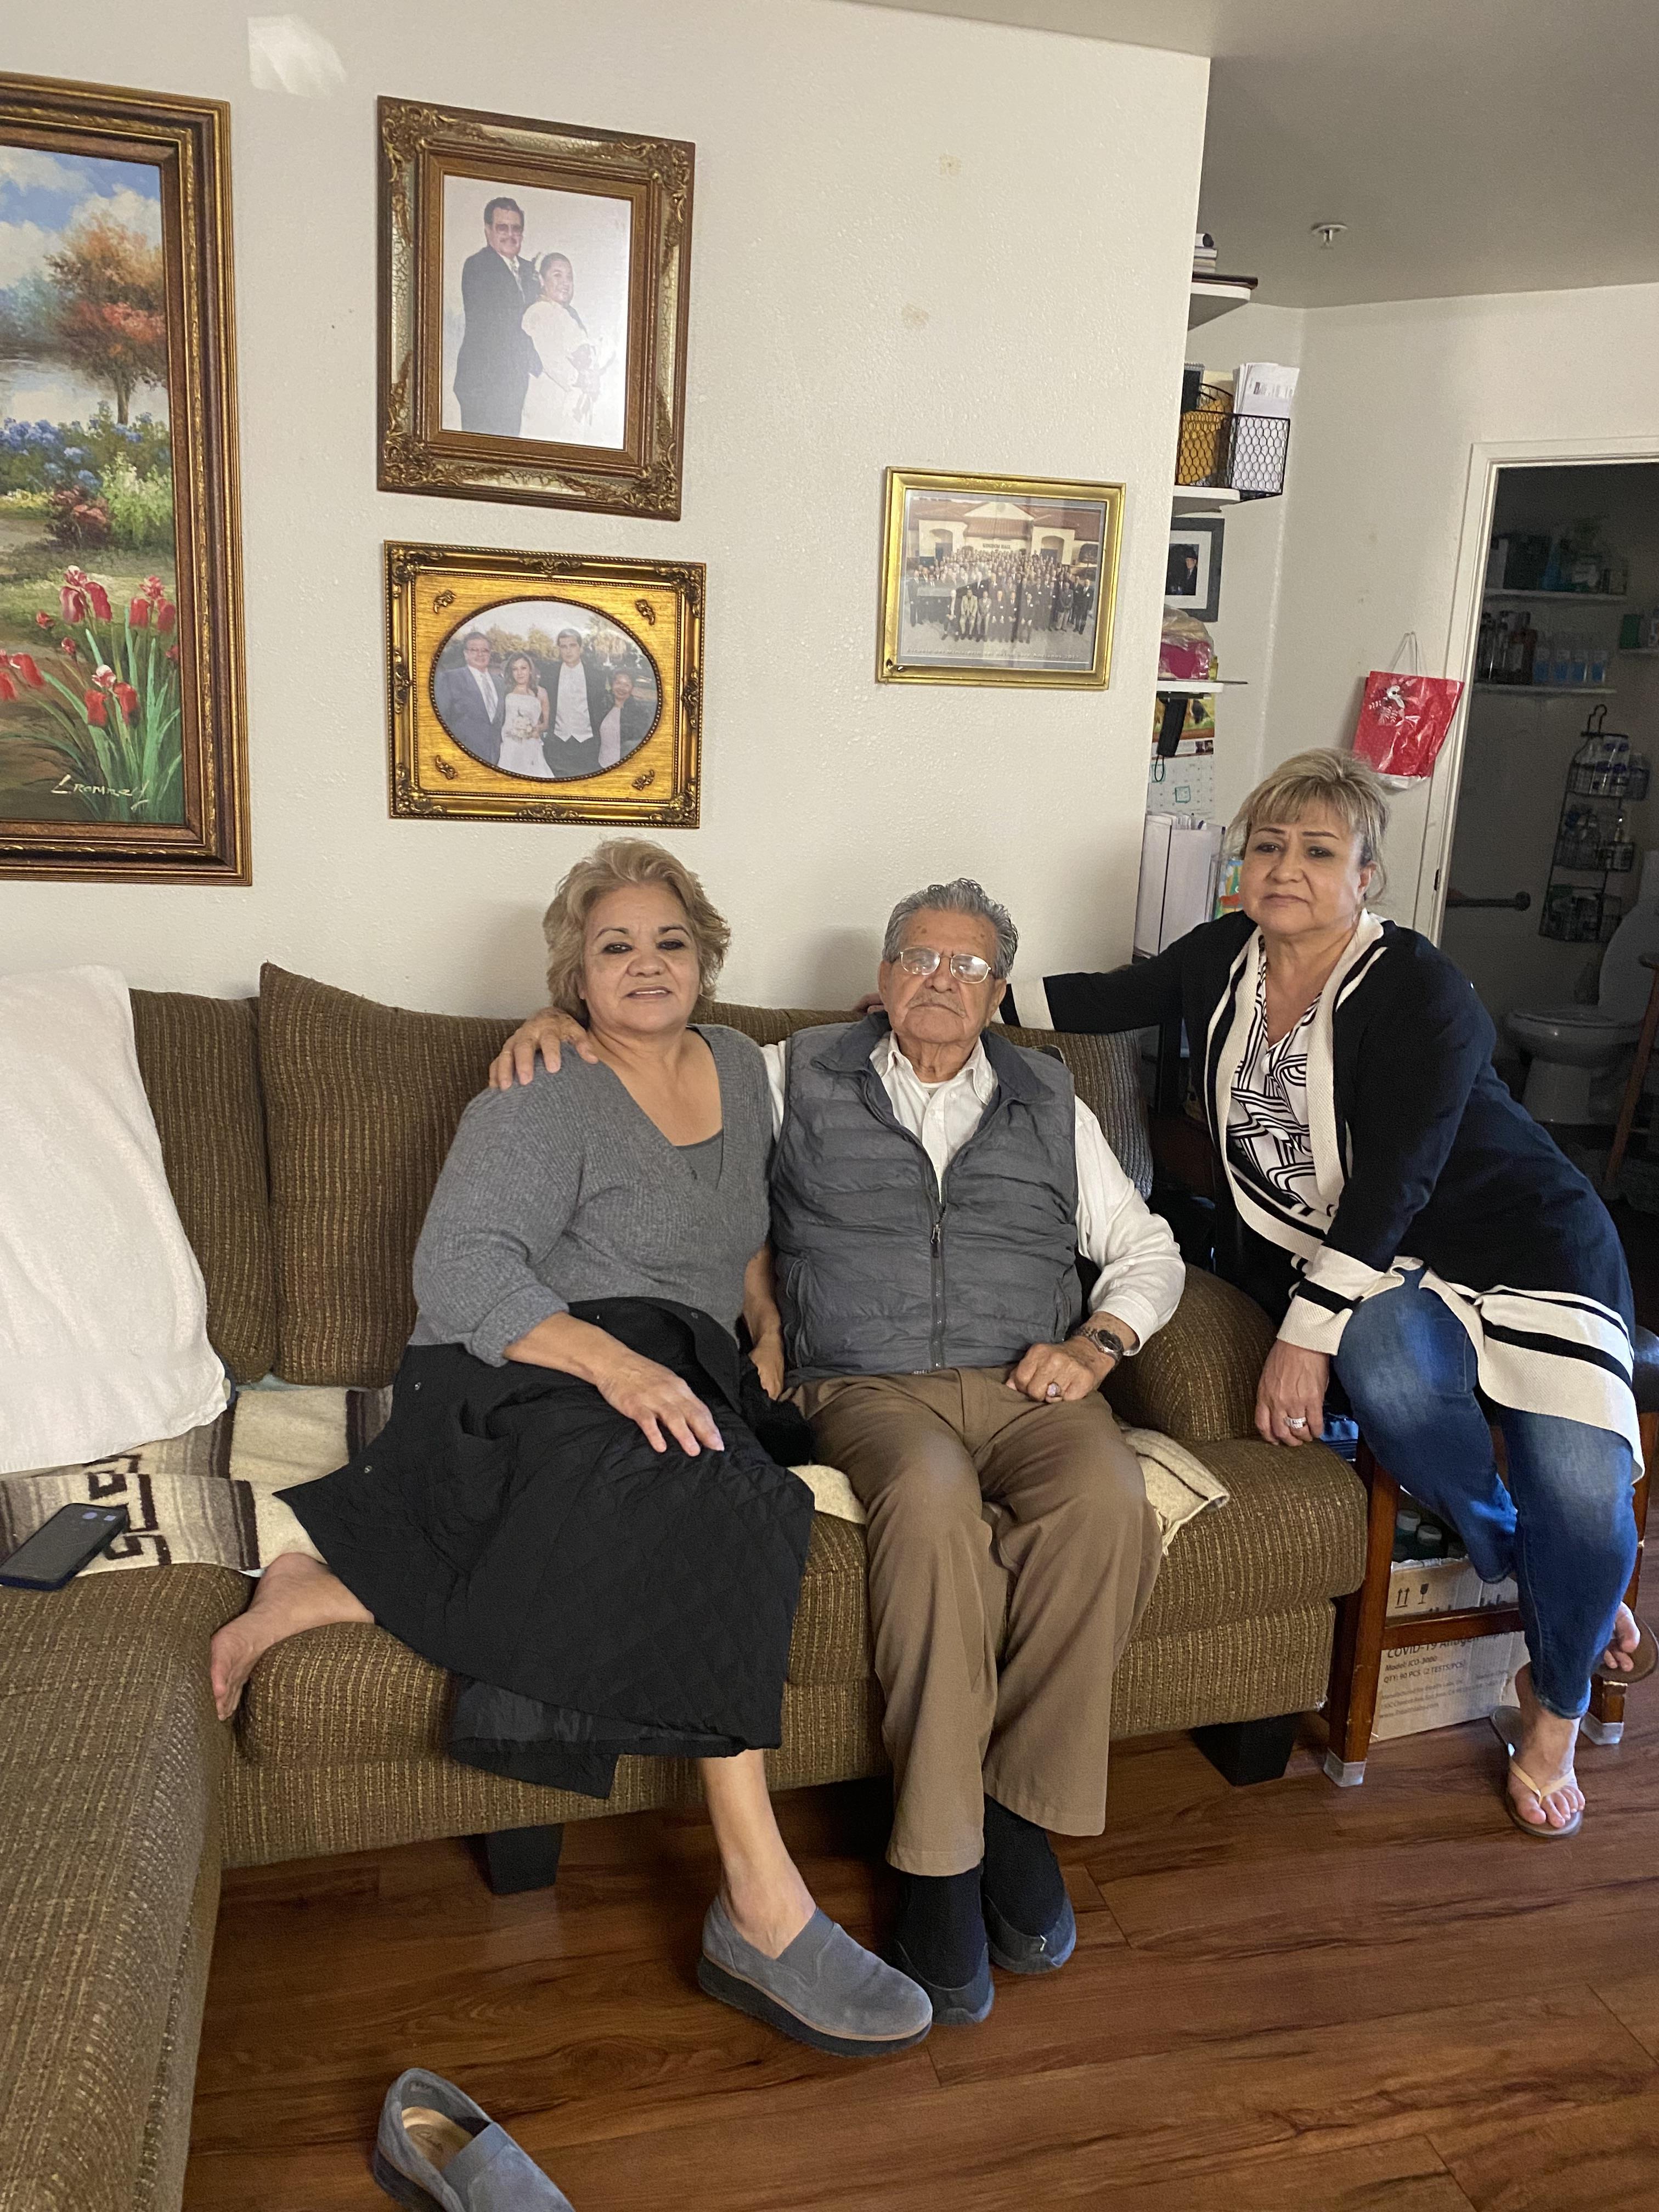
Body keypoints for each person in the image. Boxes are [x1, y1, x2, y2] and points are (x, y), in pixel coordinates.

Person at [208, 840, 932, 2059]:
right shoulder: (543, 1083)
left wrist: (760, 1323)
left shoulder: (744, 1075)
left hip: (680, 1361)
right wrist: (617, 1364)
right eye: (614, 946)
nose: (646, 964)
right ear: (574, 974)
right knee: (726, 1503)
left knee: (740, 1473)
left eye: (667, 941)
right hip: (525, 1365)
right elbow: (459, 1269)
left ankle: (335, 1587)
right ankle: (761, 1906)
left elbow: (746, 1231)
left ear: (705, 956)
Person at [492, 876, 1186, 2027]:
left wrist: (1101, 1345)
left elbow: (1145, 1249)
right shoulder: (790, 1071)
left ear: (1000, 994)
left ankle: (1017, 1813)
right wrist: (562, 1023)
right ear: (881, 976)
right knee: (928, 1502)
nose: (940, 983)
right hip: (867, 1385)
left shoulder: (1050, 1095)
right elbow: (654, 1080)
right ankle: (938, 1861)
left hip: (1033, 1382)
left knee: (1112, 1499)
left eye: (968, 968)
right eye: (919, 958)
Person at [1044, 747, 1651, 1841]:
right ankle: (1535, 1570)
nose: (1286, 868)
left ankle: (1551, 1709)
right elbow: (1087, 1001)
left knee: (1587, 1485)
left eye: (1319, 850)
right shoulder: (1225, 957)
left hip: (1520, 1243)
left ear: (1366, 874)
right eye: (1267, 846)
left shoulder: (1419, 987)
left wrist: (1299, 1340)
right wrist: (942, 992)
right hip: (1388, 1271)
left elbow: (1397, 1180)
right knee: (1397, 1387)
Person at [453, 198, 543, 437]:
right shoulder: (478, 266)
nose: (511, 235)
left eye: (517, 229)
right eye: (503, 228)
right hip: (484, 384)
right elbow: (495, 324)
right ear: (488, 231)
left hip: (515, 381)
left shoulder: (529, 270)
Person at [520, 253, 606, 444]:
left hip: (572, 411)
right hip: (548, 410)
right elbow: (552, 360)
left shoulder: (569, 315)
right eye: (557, 275)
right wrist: (582, 379)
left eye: (569, 277)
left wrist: (595, 375)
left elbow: (590, 354)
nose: (565, 282)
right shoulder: (538, 313)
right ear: (542, 280)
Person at [543, 628, 611, 779]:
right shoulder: (549, 673)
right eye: (564, 646)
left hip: (587, 744)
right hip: (557, 744)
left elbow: (603, 708)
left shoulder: (596, 676)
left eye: (572, 645)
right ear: (559, 649)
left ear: (580, 648)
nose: (568, 651)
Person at [432, 631, 505, 766]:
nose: (480, 654)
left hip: (496, 756)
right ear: (465, 654)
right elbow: (440, 719)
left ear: (490, 654)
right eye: (474, 650)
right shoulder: (450, 679)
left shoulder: (500, 683)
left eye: (485, 650)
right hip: (463, 756)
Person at [496, 651, 551, 779]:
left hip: (531, 745)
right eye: (515, 669)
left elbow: (546, 724)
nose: (519, 673)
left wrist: (537, 729)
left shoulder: (541, 692)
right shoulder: (506, 691)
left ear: (531, 670)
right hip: (510, 746)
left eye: (523, 668)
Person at [597, 667, 652, 770]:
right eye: (618, 683)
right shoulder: (600, 707)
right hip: (600, 765)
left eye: (627, 685)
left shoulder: (640, 713)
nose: (622, 688)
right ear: (612, 685)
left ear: (632, 688)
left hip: (627, 768)